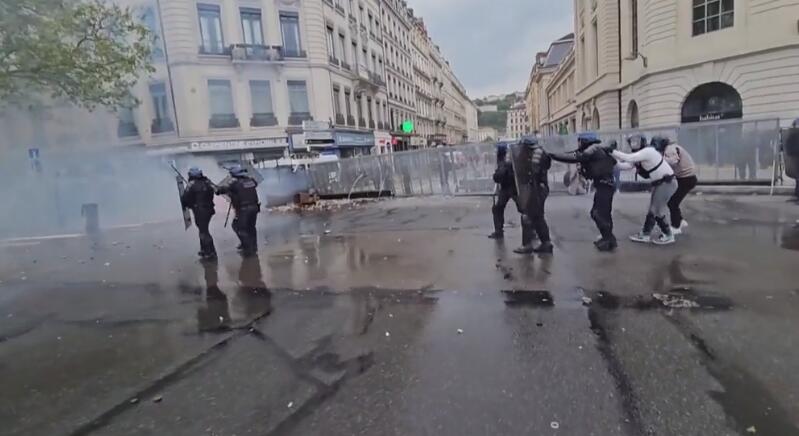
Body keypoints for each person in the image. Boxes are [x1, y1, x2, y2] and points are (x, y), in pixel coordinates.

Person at [549, 133, 619, 252]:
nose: (579, 143)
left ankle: (609, 239)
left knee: (598, 213)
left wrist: (552, 155)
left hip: (605, 185)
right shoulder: (596, 150)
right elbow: (574, 154)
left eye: (580, 141)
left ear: (586, 141)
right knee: (601, 214)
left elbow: (573, 157)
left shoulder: (593, 150)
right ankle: (608, 238)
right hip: (604, 185)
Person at [613, 134, 678, 245]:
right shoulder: (642, 154)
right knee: (652, 210)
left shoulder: (649, 151)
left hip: (666, 183)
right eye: (632, 142)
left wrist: (612, 151)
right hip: (660, 183)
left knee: (657, 211)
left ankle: (668, 235)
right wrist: (613, 160)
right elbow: (625, 166)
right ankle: (645, 234)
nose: (634, 145)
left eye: (636, 142)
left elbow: (629, 158)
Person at [513, 137, 553, 255]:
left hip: (535, 189)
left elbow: (530, 172)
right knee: (538, 217)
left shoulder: (534, 155)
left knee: (527, 216)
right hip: (541, 188)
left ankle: (527, 245)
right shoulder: (541, 152)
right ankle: (546, 243)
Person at [655, 136, 698, 235]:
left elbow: (674, 161)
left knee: (672, 202)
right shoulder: (672, 147)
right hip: (685, 178)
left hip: (686, 179)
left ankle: (676, 226)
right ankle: (680, 221)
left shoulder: (669, 149)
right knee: (673, 201)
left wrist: (660, 160)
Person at [216, 165, 261, 256]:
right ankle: (253, 246)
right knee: (251, 228)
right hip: (254, 208)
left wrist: (217, 188)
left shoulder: (234, 183)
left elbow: (220, 190)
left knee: (239, 227)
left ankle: (248, 248)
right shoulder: (251, 180)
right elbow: (253, 184)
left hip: (244, 210)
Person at [180, 167, 217, 259]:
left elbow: (185, 198)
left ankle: (210, 252)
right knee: (203, 230)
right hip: (209, 209)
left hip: (200, 211)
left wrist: (186, 205)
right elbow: (216, 190)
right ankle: (204, 250)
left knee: (204, 232)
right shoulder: (207, 182)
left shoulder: (191, 184)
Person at [489, 143, 521, 239]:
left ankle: (498, 231)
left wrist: (495, 176)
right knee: (524, 209)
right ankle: (532, 231)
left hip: (509, 187)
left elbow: (500, 174)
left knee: (498, 209)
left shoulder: (504, 159)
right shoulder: (512, 156)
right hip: (513, 186)